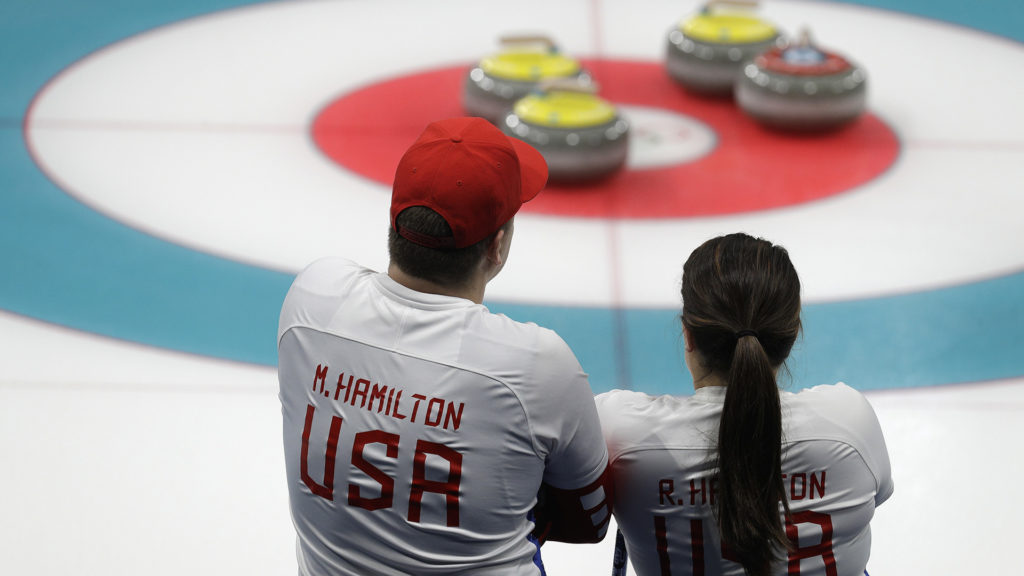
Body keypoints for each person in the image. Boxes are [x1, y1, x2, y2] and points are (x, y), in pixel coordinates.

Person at [277, 117, 611, 575]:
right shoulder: (536, 366)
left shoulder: (313, 299)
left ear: (396, 222)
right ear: (496, 246)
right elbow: (589, 521)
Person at [596, 233, 893, 576]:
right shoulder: (849, 423)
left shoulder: (621, 430)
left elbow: (577, 516)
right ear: (793, 331)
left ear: (688, 336)